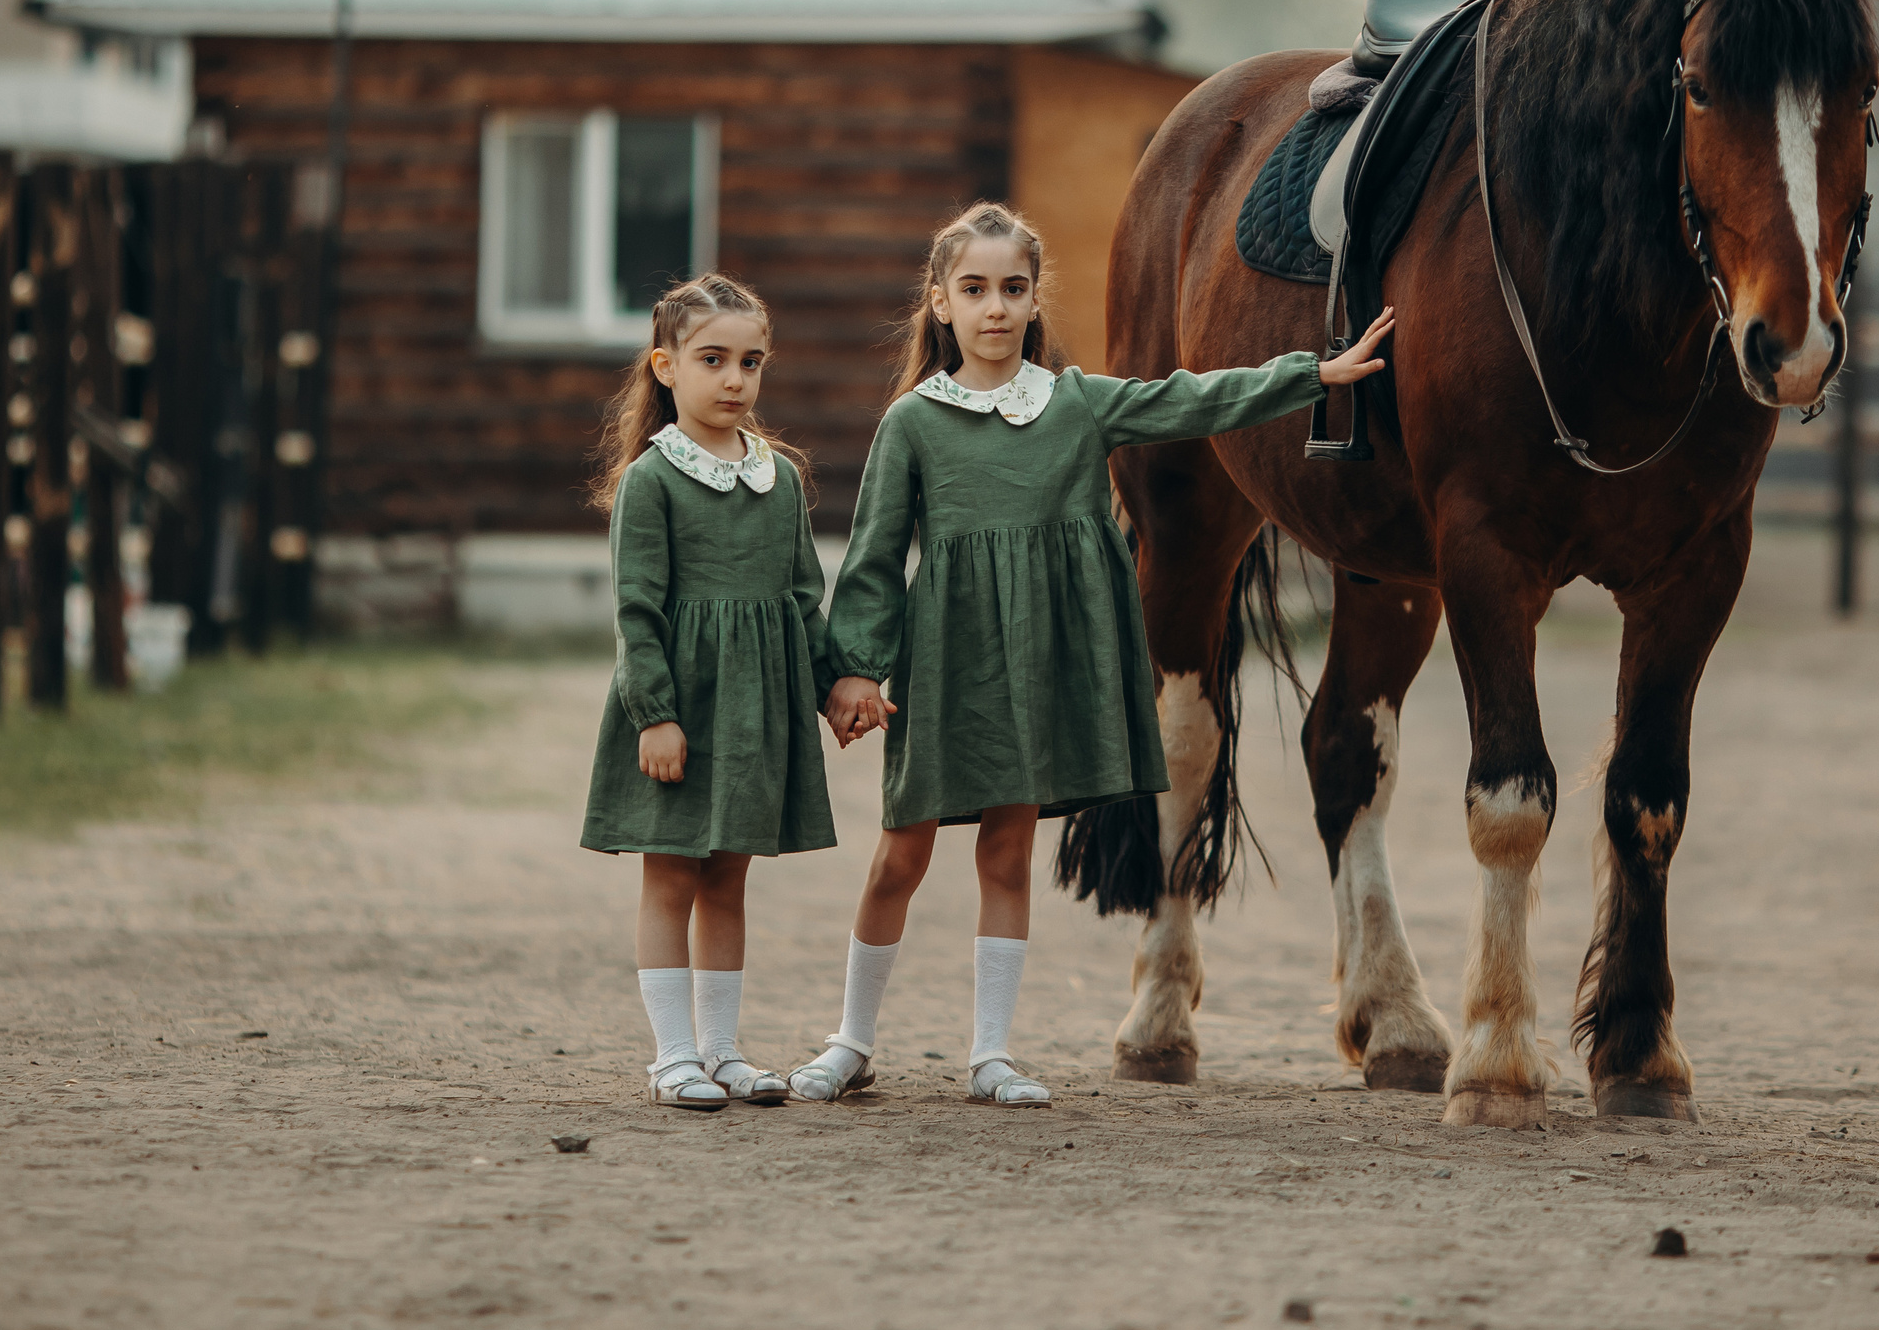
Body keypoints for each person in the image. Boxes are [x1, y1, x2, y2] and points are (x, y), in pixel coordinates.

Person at [790, 203, 1392, 1108]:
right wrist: (853, 670)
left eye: (1014, 288)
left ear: (1035, 300)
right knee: (899, 856)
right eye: (975, 289)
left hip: (1037, 669)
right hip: (947, 670)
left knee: (1007, 854)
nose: (996, 306)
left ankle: (991, 1054)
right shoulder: (913, 422)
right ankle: (851, 1040)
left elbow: (1193, 397)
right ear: (941, 303)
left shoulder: (1074, 404)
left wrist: (1313, 373)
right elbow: (874, 559)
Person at [581, 275, 837, 1111]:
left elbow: (803, 599)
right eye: (713, 359)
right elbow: (637, 612)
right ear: (667, 366)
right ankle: (673, 1056)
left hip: (754, 712)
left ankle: (722, 1051)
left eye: (750, 362)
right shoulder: (652, 480)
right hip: (681, 711)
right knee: (671, 877)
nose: (734, 379)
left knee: (728, 876)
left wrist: (834, 686)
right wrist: (654, 715)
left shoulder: (779, 478)